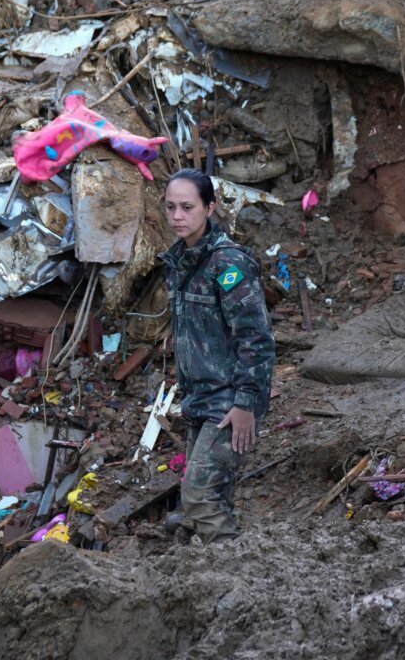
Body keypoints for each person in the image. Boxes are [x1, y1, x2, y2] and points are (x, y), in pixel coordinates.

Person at [158, 169, 275, 540]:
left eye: (187, 207)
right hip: (199, 398)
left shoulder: (228, 264)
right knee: (206, 497)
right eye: (171, 207)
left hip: (228, 403)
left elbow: (257, 339)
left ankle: (227, 575)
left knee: (200, 499)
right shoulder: (181, 262)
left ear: (209, 208)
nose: (177, 215)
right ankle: (209, 568)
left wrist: (246, 404)